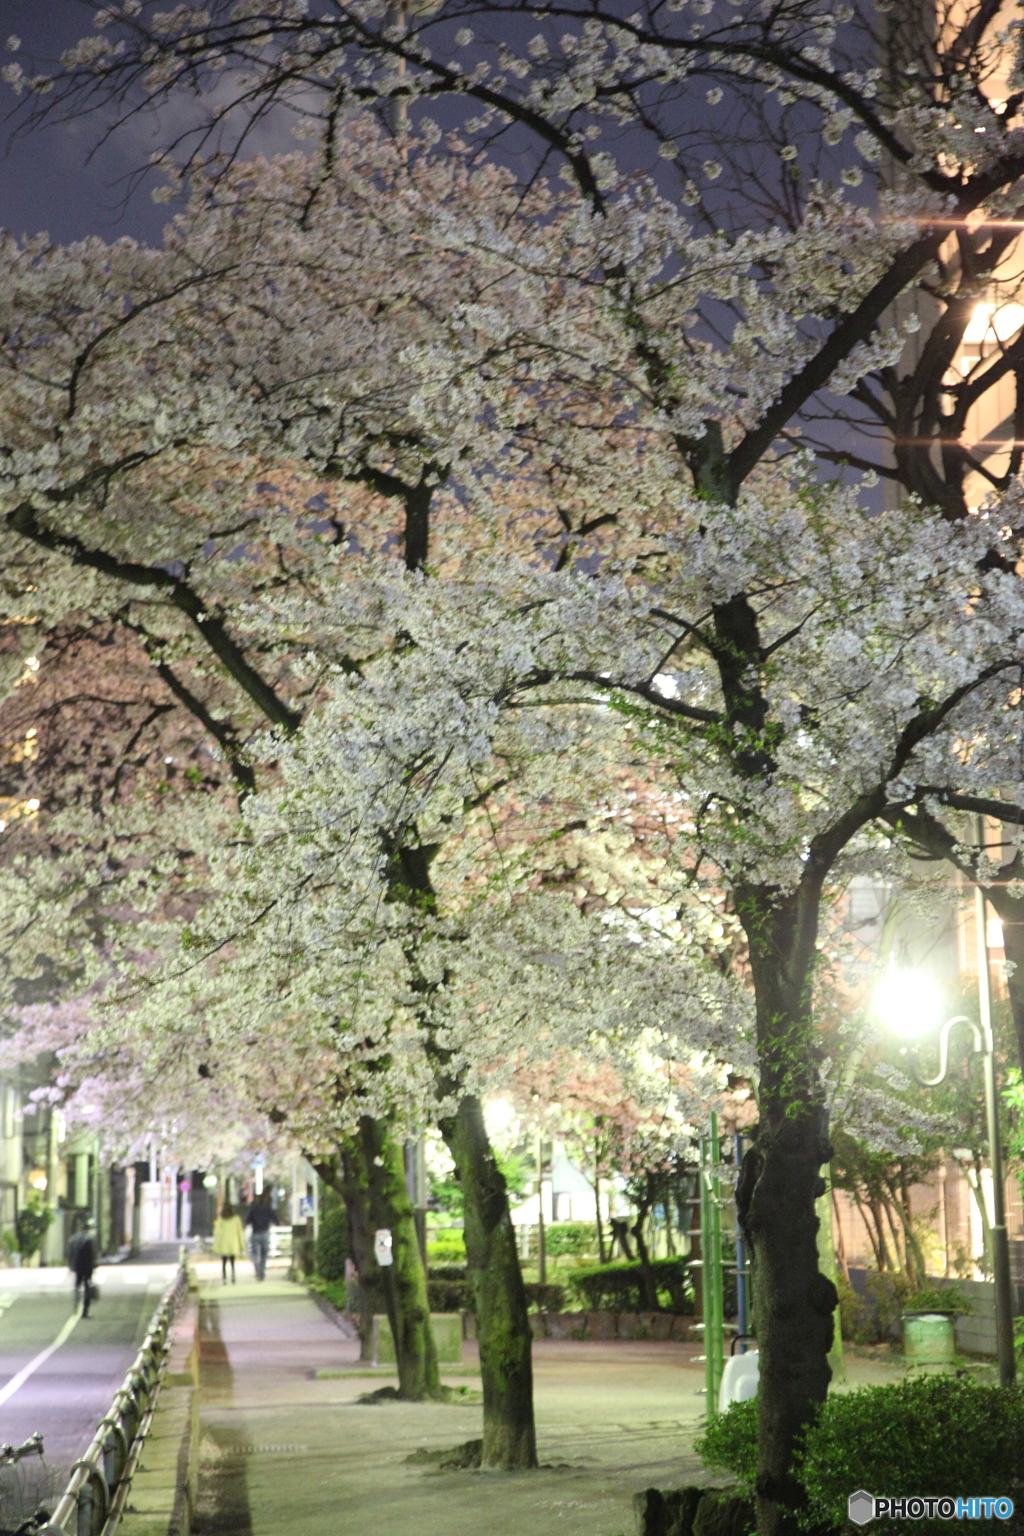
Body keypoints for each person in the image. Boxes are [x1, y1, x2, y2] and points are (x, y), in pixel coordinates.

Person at [67, 1222, 97, 1317]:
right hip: (87, 1267)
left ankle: (75, 1307)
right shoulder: (89, 1239)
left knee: (77, 1286)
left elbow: (69, 1253)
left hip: (77, 1266)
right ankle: (85, 1311)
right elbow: (92, 1255)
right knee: (87, 1287)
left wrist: (70, 1266)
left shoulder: (73, 1239)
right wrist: (94, 1266)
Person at [212, 1201, 246, 1283]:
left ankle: (224, 1278)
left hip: (224, 1244)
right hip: (233, 1243)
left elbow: (217, 1233)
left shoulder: (221, 1219)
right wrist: (242, 1245)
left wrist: (216, 1245)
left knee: (223, 1262)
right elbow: (239, 1233)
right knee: (232, 1261)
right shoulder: (236, 1219)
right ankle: (233, 1277)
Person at [246, 1190, 276, 1281]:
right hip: (265, 1233)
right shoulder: (268, 1209)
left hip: (255, 1233)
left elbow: (247, 1221)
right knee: (264, 1254)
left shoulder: (253, 1209)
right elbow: (276, 1219)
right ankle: (262, 1272)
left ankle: (257, 1270)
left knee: (254, 1254)